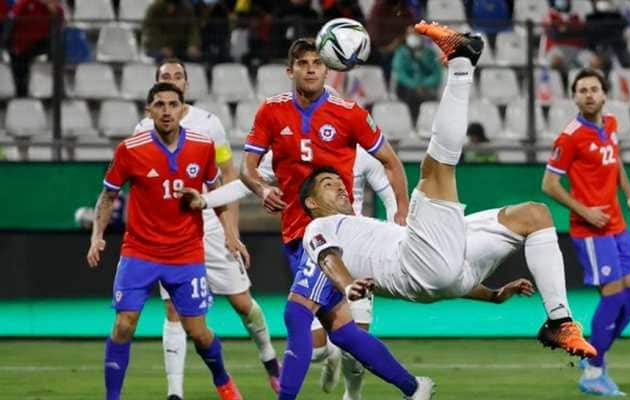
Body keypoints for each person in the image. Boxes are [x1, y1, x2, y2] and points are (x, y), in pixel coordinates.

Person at [293, 21, 596, 361]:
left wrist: (493, 294)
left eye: (339, 182)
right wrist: (348, 285)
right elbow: (327, 258)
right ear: (311, 203)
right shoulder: (317, 229)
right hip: (416, 265)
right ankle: (462, 63)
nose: (342, 189)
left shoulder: (365, 226)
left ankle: (560, 321)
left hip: (446, 269)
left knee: (534, 215)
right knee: (436, 170)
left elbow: (446, 275)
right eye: (329, 186)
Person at [240, 37, 409, 399]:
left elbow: (391, 162)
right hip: (294, 234)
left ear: (328, 68)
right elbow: (247, 168)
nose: (311, 68)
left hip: (334, 235)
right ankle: (414, 388)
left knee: (296, 315)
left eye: (318, 62)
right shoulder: (271, 111)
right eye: (303, 63)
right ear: (291, 71)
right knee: (343, 333)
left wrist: (402, 212)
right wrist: (261, 189)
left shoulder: (349, 112)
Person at [133, 59, 280, 399]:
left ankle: (270, 360)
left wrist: (232, 231)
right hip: (171, 234)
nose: (173, 81)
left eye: (178, 76)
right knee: (174, 311)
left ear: (186, 84)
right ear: (155, 88)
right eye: (165, 77)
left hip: (210, 224)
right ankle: (175, 392)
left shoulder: (209, 124)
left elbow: (227, 177)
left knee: (243, 303)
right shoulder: (142, 130)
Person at [86, 83, 242, 400]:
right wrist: (97, 236)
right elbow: (108, 196)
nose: (167, 110)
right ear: (149, 110)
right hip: (139, 251)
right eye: (160, 104)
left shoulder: (202, 146)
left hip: (186, 253)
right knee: (124, 325)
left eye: (173, 104)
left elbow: (217, 195)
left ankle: (223, 381)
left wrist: (229, 234)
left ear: (182, 108)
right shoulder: (130, 149)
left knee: (198, 333)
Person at [542, 68, 630, 397]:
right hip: (591, 231)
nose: (589, 94)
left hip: (617, 224)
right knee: (614, 297)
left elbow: (615, 161)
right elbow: (548, 184)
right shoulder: (570, 136)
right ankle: (593, 370)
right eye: (582, 90)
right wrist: (585, 210)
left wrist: (629, 195)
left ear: (604, 94)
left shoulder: (611, 125)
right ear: (574, 97)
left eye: (594, 89)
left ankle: (595, 351)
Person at [5, 0, 64, 97]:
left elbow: (57, 30)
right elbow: (10, 21)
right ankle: (22, 97)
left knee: (59, 45)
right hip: (20, 45)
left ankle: (59, 90)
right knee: (20, 70)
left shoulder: (58, 10)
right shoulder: (26, 3)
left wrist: (54, 13)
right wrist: (8, 44)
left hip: (39, 43)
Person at [392, 25, 442, 123]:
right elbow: (400, 74)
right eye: (410, 34)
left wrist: (424, 84)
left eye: (415, 34)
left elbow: (437, 74)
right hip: (407, 87)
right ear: (406, 36)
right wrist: (416, 85)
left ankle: (429, 124)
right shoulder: (401, 53)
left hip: (427, 88)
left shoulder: (430, 53)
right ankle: (413, 123)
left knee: (431, 97)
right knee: (413, 96)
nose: (413, 36)